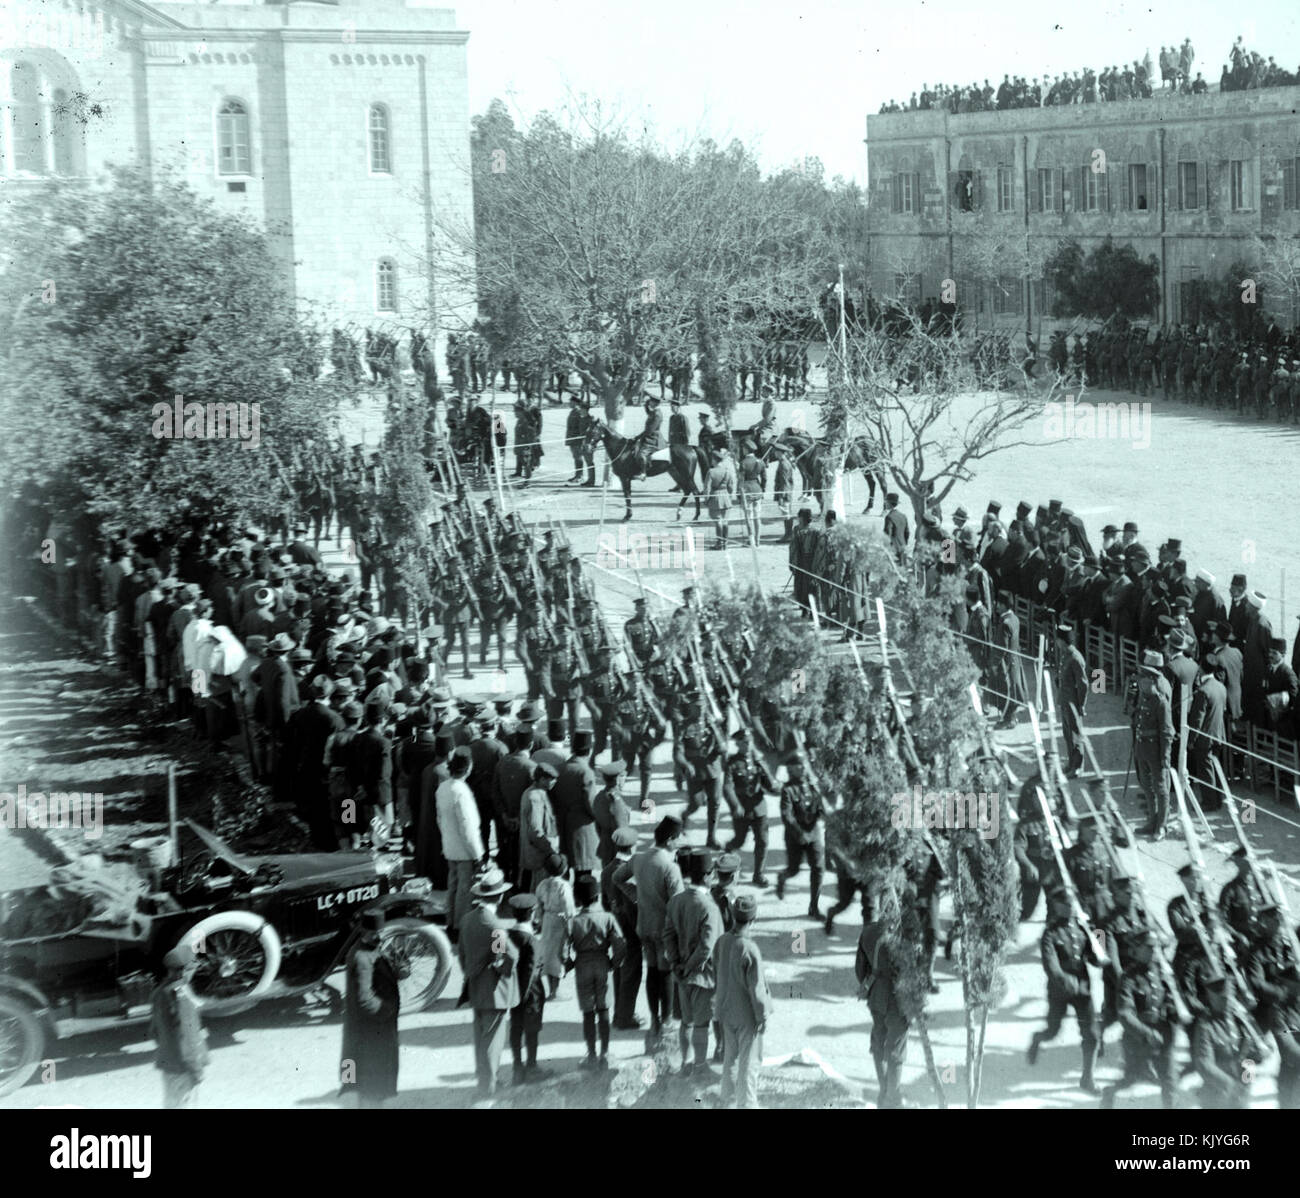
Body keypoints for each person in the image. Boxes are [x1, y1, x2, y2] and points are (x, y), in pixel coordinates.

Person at [614, 815, 685, 1046]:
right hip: (665, 929)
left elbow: (617, 878)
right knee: (665, 974)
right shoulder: (670, 867)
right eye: (678, 839)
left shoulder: (639, 858)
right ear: (671, 839)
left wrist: (636, 897)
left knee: (652, 971)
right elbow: (678, 904)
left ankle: (654, 1020)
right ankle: (666, 1022)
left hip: (644, 926)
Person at [1027, 888, 1101, 1093]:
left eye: (1073, 904)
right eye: (1067, 905)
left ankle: (1088, 1078)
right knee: (1052, 1032)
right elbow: (1050, 965)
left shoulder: (1082, 929)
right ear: (1058, 907)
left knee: (1092, 1034)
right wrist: (1065, 979)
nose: (1072, 908)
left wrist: (1099, 935)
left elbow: (1096, 960)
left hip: (1083, 989)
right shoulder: (1050, 933)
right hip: (1060, 990)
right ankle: (1037, 1040)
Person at [1099, 929, 1179, 1109]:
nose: (1153, 951)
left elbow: (1169, 999)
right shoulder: (1128, 978)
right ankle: (1109, 1093)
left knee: (1169, 1081)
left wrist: (1172, 1012)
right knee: (1131, 1079)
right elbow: (1125, 1014)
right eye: (1149, 947)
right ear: (1137, 950)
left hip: (1162, 1035)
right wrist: (1147, 1033)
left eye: (1156, 947)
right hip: (1138, 1039)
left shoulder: (1161, 973)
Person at [459, 867, 519, 1101]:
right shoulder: (494, 926)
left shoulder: (467, 919)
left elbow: (463, 955)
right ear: (501, 896)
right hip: (493, 990)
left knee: (480, 1038)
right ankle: (489, 1087)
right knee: (493, 1041)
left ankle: (485, 1080)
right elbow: (511, 954)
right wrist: (502, 970)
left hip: (475, 986)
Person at [664, 847, 724, 1077]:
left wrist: (676, 964)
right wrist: (689, 967)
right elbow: (708, 947)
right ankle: (700, 1066)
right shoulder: (709, 907)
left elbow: (668, 935)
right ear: (708, 875)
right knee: (701, 1024)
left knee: (686, 1022)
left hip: (680, 975)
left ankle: (685, 1064)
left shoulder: (676, 901)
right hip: (702, 975)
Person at [713, 893, 773, 1108]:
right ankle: (747, 1105)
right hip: (747, 1016)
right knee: (749, 1065)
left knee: (730, 1058)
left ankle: (725, 1102)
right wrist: (762, 1016)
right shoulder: (750, 948)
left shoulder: (722, 942)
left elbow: (715, 971)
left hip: (725, 1012)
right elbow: (756, 990)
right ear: (753, 919)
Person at [339, 909, 400, 1108]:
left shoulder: (367, 949)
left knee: (361, 1081)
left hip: (364, 1030)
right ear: (364, 932)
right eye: (375, 933)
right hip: (373, 1031)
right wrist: (388, 1010)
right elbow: (365, 999)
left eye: (381, 931)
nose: (380, 936)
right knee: (372, 1086)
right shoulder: (361, 958)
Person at [856, 890, 911, 1108]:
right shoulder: (904, 934)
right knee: (896, 1049)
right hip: (899, 998)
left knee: (879, 1042)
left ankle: (883, 1092)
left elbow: (860, 970)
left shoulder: (868, 932)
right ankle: (893, 1098)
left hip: (876, 995)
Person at [570, 874, 627, 1070]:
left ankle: (591, 1054)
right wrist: (614, 962)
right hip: (602, 962)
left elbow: (562, 949)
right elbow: (620, 944)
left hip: (582, 965)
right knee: (603, 1009)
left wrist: (569, 963)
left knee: (587, 1011)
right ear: (597, 896)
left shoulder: (574, 921)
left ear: (578, 898)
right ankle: (605, 1052)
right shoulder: (608, 918)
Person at [150, 942, 209, 1109]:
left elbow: (154, 1031)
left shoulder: (159, 992)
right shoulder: (182, 996)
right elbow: (188, 1038)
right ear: (183, 971)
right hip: (184, 1068)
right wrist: (196, 1070)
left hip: (168, 1065)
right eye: (193, 968)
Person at [437, 746, 485, 939]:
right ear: (469, 767)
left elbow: (439, 818)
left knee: (453, 887)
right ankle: (459, 927)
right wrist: (477, 854)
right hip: (465, 849)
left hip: (449, 844)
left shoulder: (443, 787)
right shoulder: (462, 792)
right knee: (464, 891)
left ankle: (450, 922)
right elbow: (468, 828)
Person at [775, 751, 830, 919]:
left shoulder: (812, 786)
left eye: (804, 764)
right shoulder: (788, 790)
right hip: (795, 837)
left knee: (819, 869)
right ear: (791, 769)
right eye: (800, 765)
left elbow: (820, 808)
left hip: (813, 834)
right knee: (794, 870)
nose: (804, 768)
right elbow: (786, 816)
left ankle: (814, 906)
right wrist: (799, 833)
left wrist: (825, 814)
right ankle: (782, 877)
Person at [724, 727, 779, 887]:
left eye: (750, 742)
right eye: (745, 743)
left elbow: (769, 784)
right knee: (739, 841)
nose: (748, 745)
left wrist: (776, 786)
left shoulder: (758, 761)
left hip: (759, 807)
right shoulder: (732, 763)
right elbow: (727, 787)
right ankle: (729, 849)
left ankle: (758, 874)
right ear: (738, 744)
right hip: (742, 809)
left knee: (762, 841)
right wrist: (735, 805)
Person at [506, 893, 550, 1085]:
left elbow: (496, 957)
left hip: (511, 991)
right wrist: (523, 996)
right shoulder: (533, 941)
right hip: (531, 993)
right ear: (532, 913)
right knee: (532, 1030)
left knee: (515, 1029)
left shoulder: (502, 934)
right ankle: (532, 1067)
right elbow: (532, 971)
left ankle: (517, 1067)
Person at [1131, 649, 1174, 839]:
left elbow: (1167, 732)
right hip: (1142, 747)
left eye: (1144, 677)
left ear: (1153, 680)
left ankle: (1161, 826)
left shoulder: (1160, 702)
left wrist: (1165, 757)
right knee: (1146, 786)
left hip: (1155, 749)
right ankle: (1152, 820)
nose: (1140, 681)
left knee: (1160, 788)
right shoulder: (1144, 697)